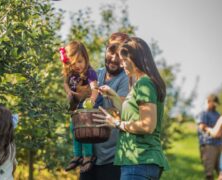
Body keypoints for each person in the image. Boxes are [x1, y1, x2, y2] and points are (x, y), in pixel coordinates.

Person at [93, 37, 170, 179]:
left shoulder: (144, 84)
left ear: (135, 59)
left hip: (139, 160)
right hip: (138, 162)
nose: (121, 65)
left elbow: (147, 126)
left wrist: (116, 123)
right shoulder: (141, 83)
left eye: (124, 61)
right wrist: (113, 96)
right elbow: (132, 115)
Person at [80, 32, 130, 180]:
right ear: (106, 49)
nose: (114, 59)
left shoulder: (126, 79)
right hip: (90, 155)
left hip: (112, 157)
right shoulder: (96, 74)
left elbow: (119, 111)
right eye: (111, 51)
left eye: (120, 54)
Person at [60, 41, 99, 173]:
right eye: (74, 62)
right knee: (74, 129)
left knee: (85, 130)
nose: (77, 65)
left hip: (86, 106)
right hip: (76, 106)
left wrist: (92, 99)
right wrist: (69, 92)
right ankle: (77, 155)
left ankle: (88, 155)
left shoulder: (90, 72)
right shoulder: (71, 73)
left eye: (80, 61)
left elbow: (95, 88)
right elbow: (65, 84)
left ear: (86, 59)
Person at [197, 94, 221, 180]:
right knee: (209, 171)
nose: (214, 105)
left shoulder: (217, 114)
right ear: (208, 101)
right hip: (208, 145)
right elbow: (202, 126)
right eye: (212, 102)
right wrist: (212, 131)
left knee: (220, 171)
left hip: (219, 144)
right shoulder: (203, 113)